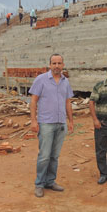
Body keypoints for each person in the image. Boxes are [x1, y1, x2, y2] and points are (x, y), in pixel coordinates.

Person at [29, 54, 74, 197]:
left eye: (59, 63)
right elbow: (33, 101)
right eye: (54, 63)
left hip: (60, 123)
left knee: (54, 156)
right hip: (46, 123)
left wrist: (71, 121)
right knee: (44, 156)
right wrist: (33, 121)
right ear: (49, 65)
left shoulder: (65, 81)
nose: (57, 66)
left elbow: (68, 102)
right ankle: (39, 184)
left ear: (63, 65)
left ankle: (50, 181)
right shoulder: (41, 80)